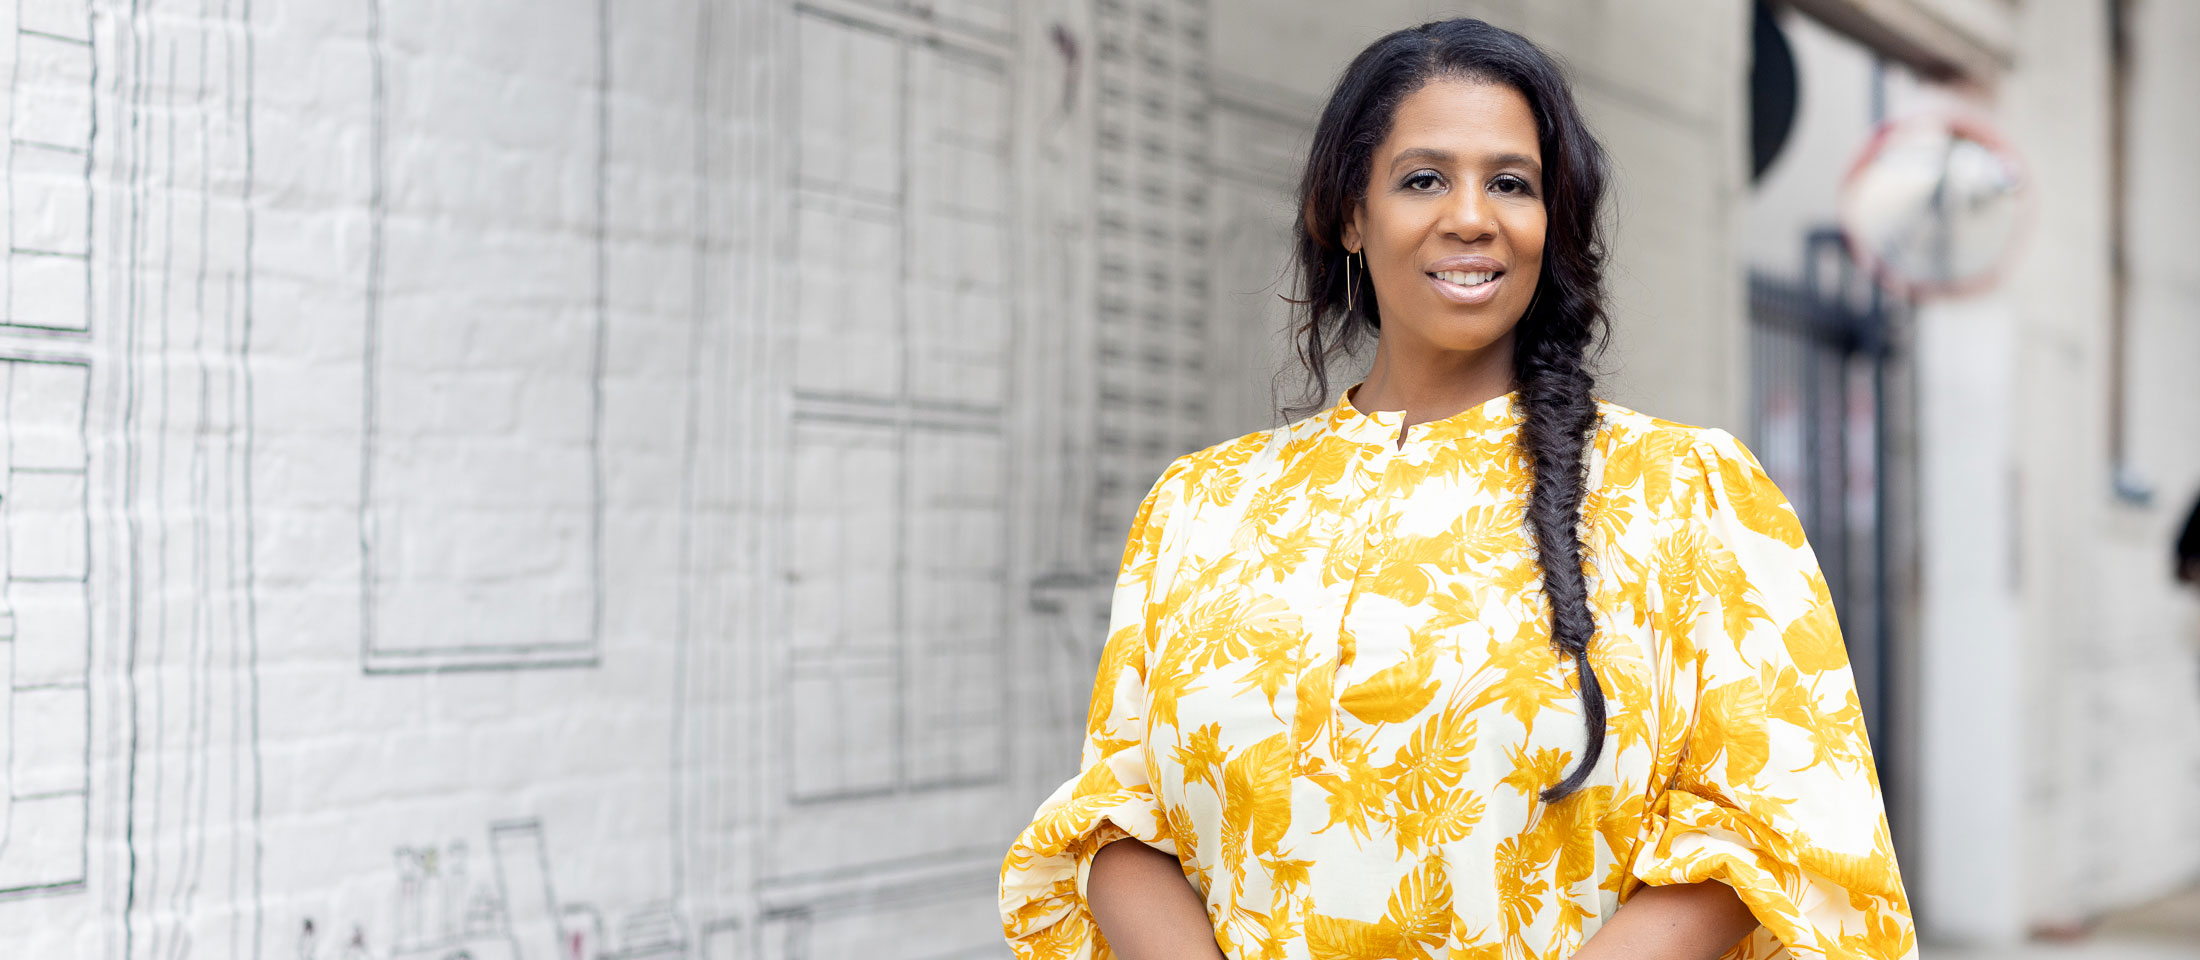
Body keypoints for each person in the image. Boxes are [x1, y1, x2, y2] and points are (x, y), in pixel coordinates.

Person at [1000, 17, 1912, 960]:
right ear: (1350, 214)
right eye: (1424, 177)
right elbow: (1117, 817)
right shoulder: (1201, 505)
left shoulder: (1686, 495)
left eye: (1511, 183)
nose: (1471, 215)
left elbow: (1768, 832)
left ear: (1549, 222)